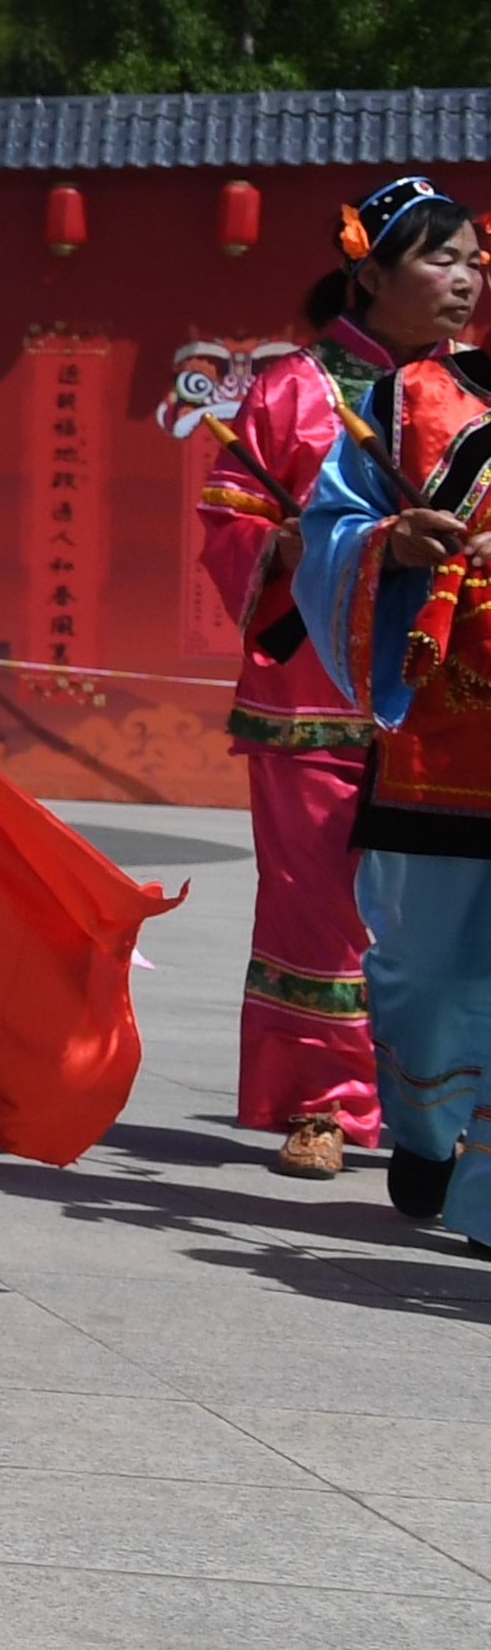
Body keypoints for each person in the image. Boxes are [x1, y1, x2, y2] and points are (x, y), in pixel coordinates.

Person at [209, 177, 480, 1180]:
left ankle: (439, 1101)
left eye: (473, 262)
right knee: (317, 901)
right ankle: (322, 1102)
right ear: (369, 273)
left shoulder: (473, 394)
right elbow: (231, 524)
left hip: (453, 696)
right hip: (316, 692)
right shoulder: (293, 389)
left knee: (446, 919)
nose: (464, 281)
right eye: (438, 260)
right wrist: (332, 544)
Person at [296, 270, 491, 1247]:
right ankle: (421, 1118)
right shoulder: (411, 398)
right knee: (421, 970)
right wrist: (392, 545)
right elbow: (326, 530)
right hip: (441, 746)